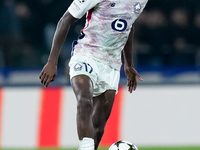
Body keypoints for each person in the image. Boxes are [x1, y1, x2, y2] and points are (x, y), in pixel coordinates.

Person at [39, 0, 148, 149]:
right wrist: (52, 62)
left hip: (111, 64)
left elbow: (128, 24)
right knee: (84, 100)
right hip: (86, 55)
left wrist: (128, 63)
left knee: (99, 124)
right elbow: (65, 19)